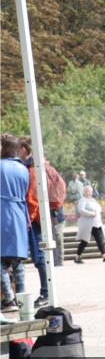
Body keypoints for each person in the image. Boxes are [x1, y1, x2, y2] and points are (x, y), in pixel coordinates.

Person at [17, 138, 49, 307]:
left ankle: (46, 292)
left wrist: (28, 219)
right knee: (39, 257)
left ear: (23, 149)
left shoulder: (32, 168)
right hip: (35, 218)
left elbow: (32, 198)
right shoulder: (31, 166)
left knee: (39, 257)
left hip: (35, 220)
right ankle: (46, 291)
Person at [0, 134, 29, 312]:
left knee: (0, 260)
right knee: (17, 260)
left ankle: (9, 299)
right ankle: (22, 297)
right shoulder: (23, 169)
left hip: (2, 212)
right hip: (18, 212)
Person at [73, 185, 105, 263]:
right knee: (85, 241)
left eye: (90, 191)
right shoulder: (83, 200)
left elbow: (99, 208)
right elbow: (81, 210)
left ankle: (104, 256)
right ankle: (77, 257)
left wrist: (98, 211)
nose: (89, 193)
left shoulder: (93, 200)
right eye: (88, 191)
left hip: (96, 223)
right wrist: (91, 213)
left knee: (99, 239)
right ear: (84, 192)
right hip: (88, 224)